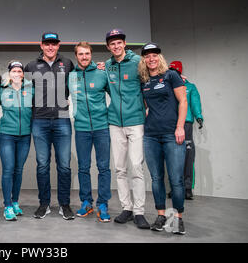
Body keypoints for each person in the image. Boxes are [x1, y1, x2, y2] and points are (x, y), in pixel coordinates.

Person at [24, 32, 75, 220]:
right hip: (39, 120)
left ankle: (64, 204)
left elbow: (79, 82)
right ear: (41, 45)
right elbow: (21, 88)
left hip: (62, 118)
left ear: (59, 45)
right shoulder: (31, 66)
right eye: (47, 44)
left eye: (53, 44)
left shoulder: (68, 63)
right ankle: (44, 204)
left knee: (64, 166)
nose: (50, 47)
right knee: (42, 165)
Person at [139, 42, 187, 235]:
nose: (151, 59)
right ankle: (160, 215)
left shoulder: (171, 75)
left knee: (175, 179)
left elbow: (183, 101)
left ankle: (177, 218)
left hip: (171, 133)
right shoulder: (143, 80)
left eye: (154, 55)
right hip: (150, 135)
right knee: (156, 178)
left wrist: (180, 127)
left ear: (160, 56)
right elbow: (146, 105)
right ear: (144, 59)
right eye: (147, 56)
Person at [104, 29, 150, 229]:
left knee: (136, 167)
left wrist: (147, 109)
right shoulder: (107, 65)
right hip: (115, 122)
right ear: (108, 47)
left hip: (136, 122)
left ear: (125, 43)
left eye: (119, 42)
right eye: (112, 44)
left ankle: (139, 211)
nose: (116, 46)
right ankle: (127, 208)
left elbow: (148, 85)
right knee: (120, 168)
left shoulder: (138, 62)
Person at [68, 42, 112, 222]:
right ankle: (86, 202)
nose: (84, 57)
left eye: (87, 53)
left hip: (102, 127)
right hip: (82, 128)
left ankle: (103, 204)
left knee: (103, 168)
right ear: (76, 56)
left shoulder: (102, 73)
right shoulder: (70, 76)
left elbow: (117, 92)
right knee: (84, 168)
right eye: (80, 54)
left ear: (91, 54)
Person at [0, 61, 33, 221]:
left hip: (25, 135)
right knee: (8, 169)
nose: (17, 74)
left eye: (19, 71)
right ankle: (7, 206)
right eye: (14, 71)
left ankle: (15, 202)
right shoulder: (2, 89)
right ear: (9, 73)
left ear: (23, 74)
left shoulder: (30, 89)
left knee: (18, 170)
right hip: (6, 134)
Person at [168, 61, 203, 200]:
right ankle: (175, 188)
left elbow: (195, 102)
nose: (173, 72)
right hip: (171, 123)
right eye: (171, 70)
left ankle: (188, 188)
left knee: (188, 156)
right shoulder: (167, 85)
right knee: (172, 158)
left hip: (186, 123)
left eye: (175, 70)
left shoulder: (190, 86)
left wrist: (199, 116)